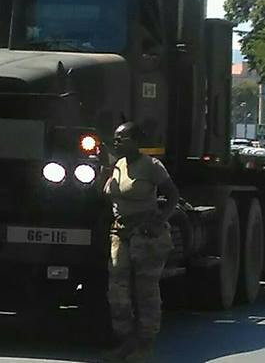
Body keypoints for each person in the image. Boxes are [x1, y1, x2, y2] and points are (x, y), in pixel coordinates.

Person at [101, 122, 178, 363]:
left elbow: (173, 196)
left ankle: (145, 346)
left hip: (145, 235)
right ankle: (126, 342)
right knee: (117, 291)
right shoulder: (118, 164)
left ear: (135, 141)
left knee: (145, 291)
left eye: (122, 138)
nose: (116, 142)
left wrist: (158, 221)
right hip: (120, 232)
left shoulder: (151, 166)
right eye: (115, 138)